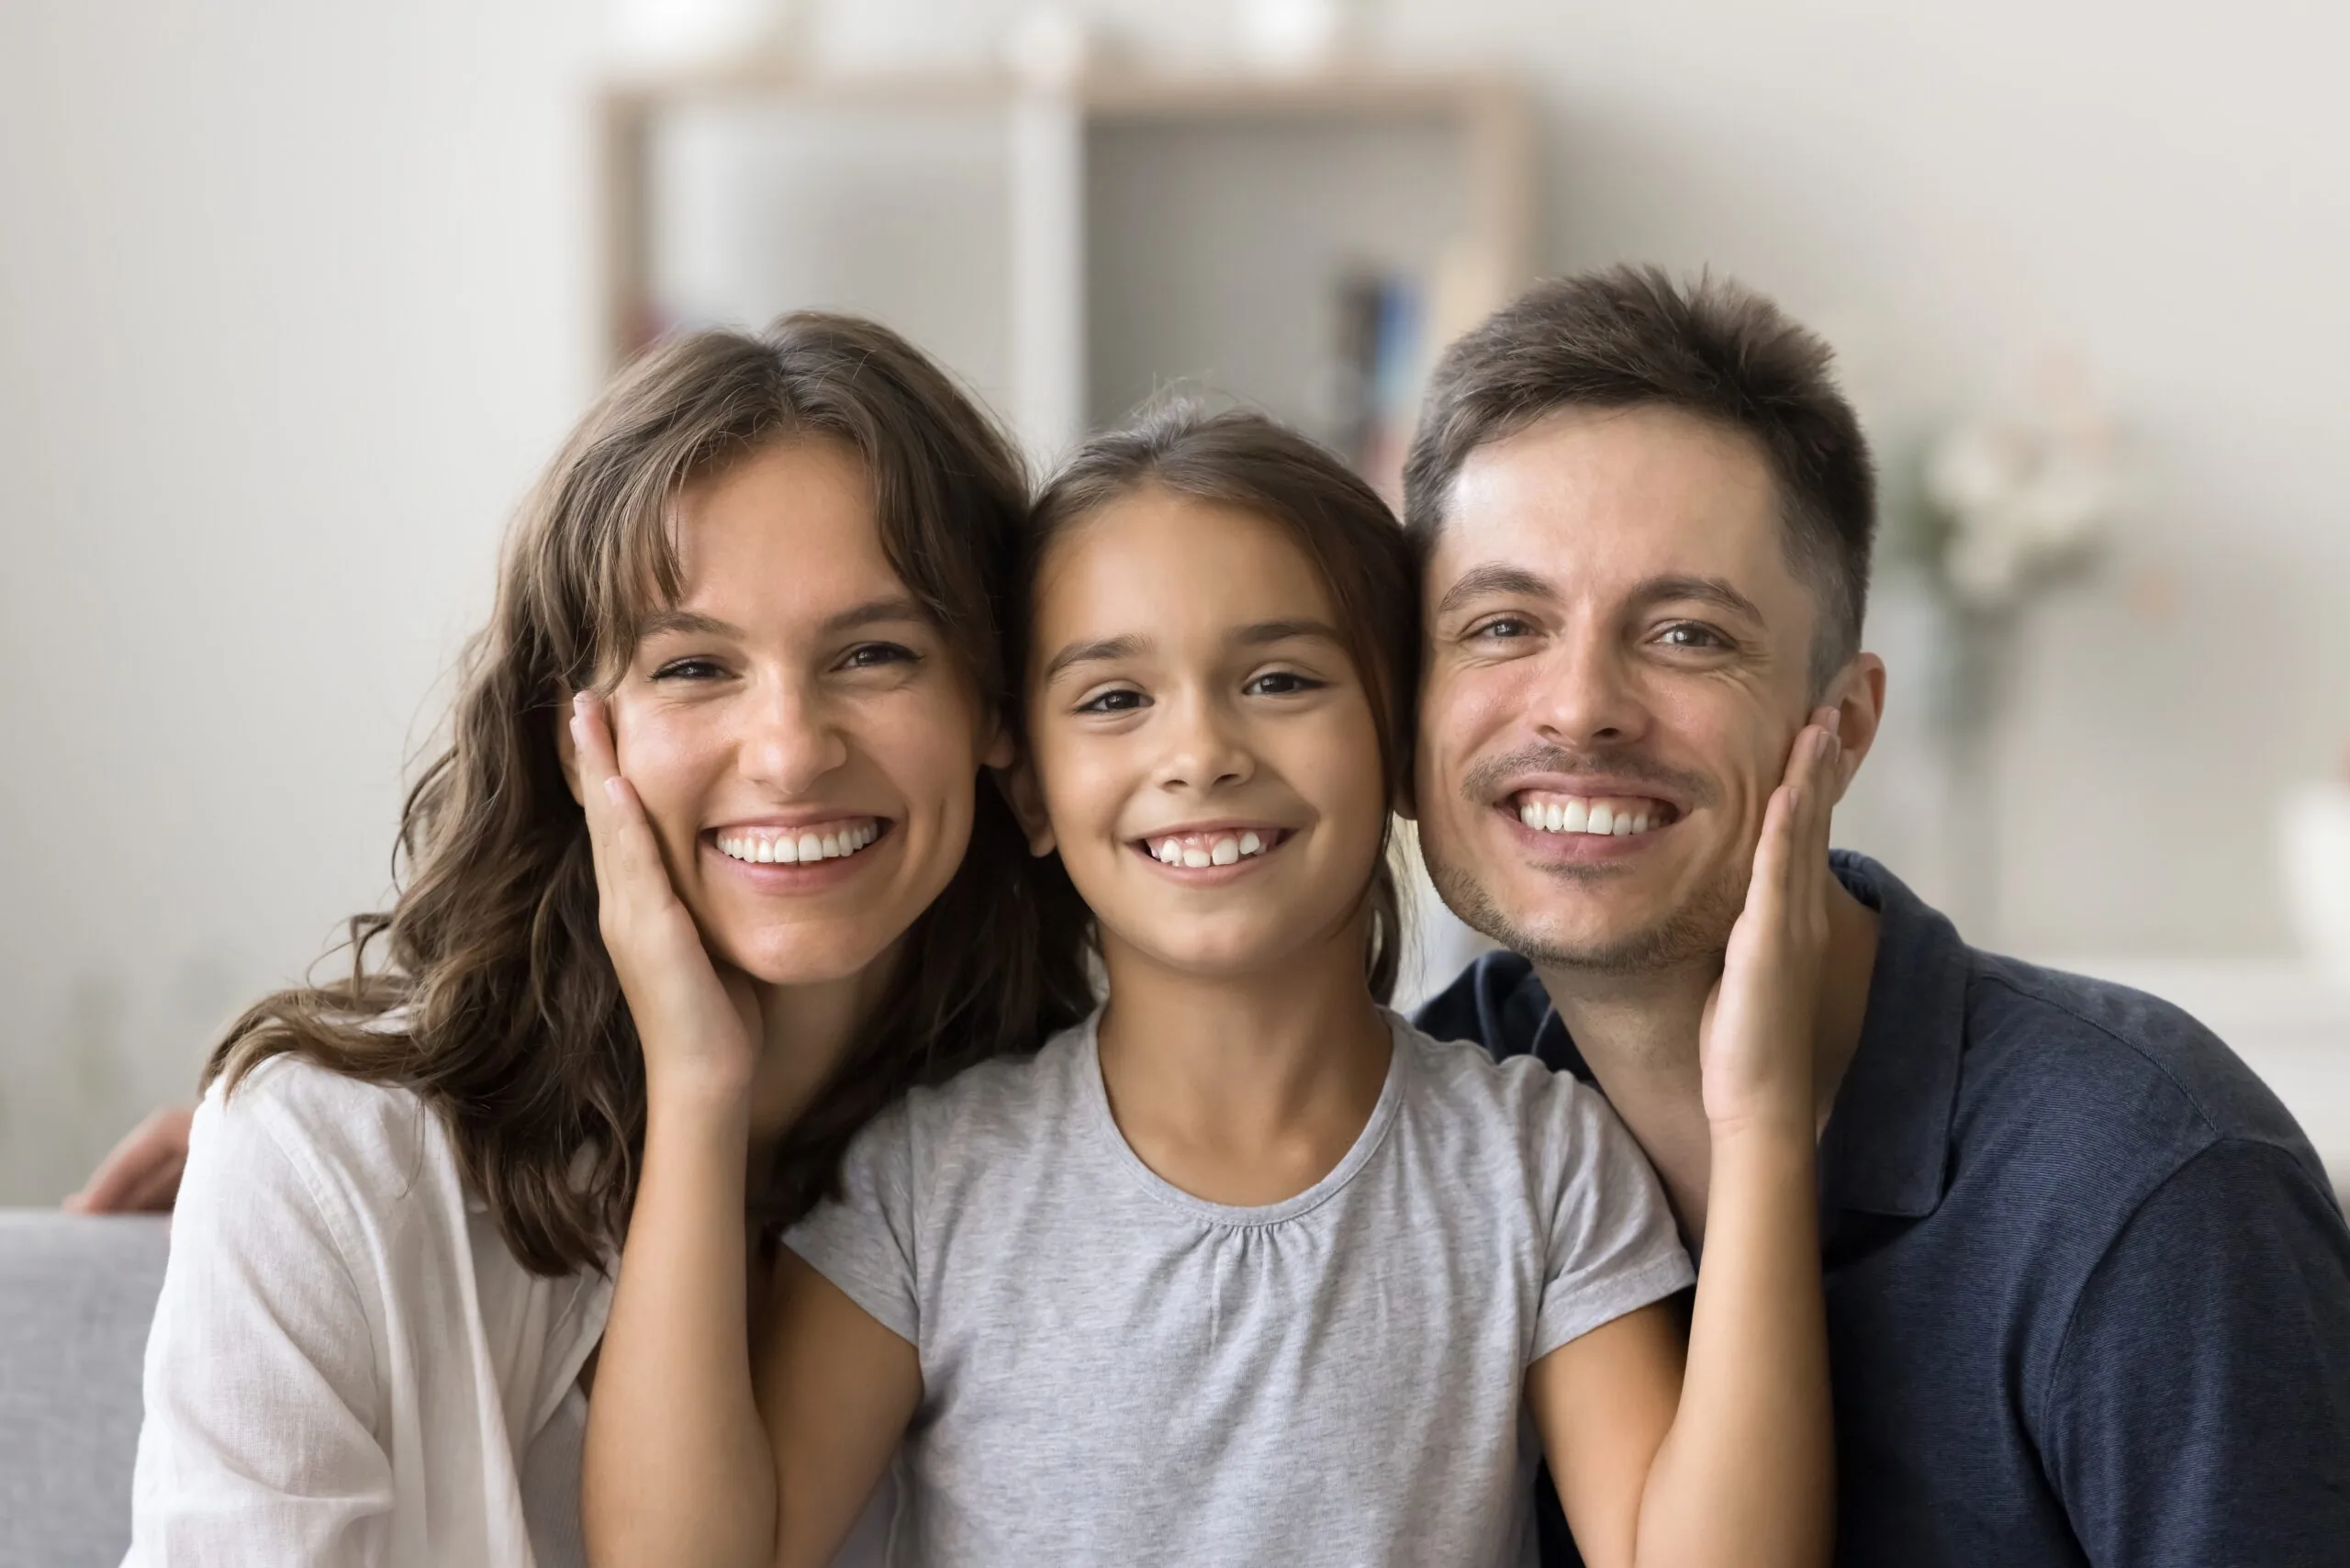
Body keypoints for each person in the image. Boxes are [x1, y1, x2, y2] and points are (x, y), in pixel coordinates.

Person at [579, 405, 1839, 1568]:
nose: (1200, 754)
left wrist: (1762, 1125)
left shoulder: (1538, 1166)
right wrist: (696, 1087)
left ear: (1400, 742)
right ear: (1026, 784)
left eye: (1281, 681)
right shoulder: (934, 1181)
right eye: (1116, 698)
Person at [1406, 265, 2350, 1565]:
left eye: (1684, 634)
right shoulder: (1424, 1131)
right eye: (1503, 624)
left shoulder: (2150, 1186)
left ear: (1839, 725)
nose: (1578, 708)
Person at [116, 313, 1091, 1566]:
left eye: (875, 653)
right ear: (575, 739)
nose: (791, 751)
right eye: (694, 668)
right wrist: (698, 1082)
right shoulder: (331, 1172)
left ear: (995, 714)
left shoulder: (1053, 1179)